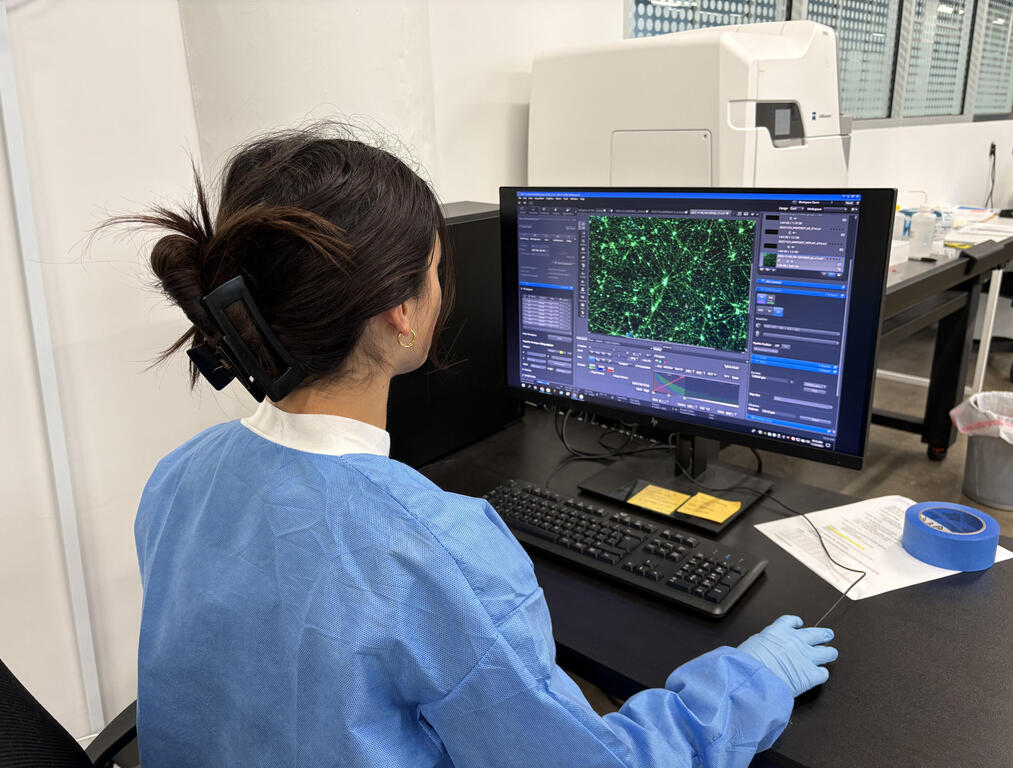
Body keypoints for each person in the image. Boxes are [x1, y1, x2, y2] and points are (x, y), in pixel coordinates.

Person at [128, 123, 837, 768]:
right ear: (401, 312)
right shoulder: (441, 552)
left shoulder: (178, 477)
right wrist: (748, 684)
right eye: (437, 269)